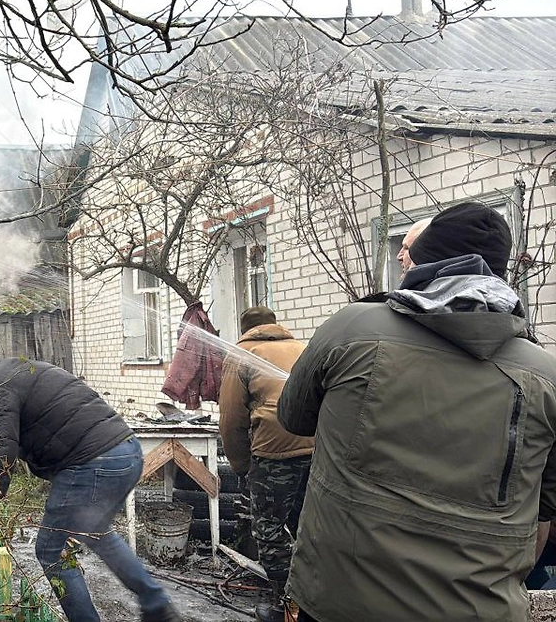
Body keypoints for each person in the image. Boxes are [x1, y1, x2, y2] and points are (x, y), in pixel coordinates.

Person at [277, 202, 556, 622]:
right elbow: (544, 511)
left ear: (425, 260)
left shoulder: (353, 329)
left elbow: (293, 418)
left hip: (338, 599)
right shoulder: (545, 376)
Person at [0, 354, 182, 622]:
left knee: (49, 549)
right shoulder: (22, 370)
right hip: (126, 452)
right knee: (96, 532)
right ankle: (156, 605)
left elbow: (0, 452)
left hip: (92, 461)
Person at [218, 306, 311, 622]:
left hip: (273, 452)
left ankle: (287, 606)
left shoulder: (241, 354)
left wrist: (242, 466)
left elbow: (231, 420)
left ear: (245, 329)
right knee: (306, 526)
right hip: (316, 447)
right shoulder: (302, 348)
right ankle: (316, 599)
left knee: (269, 529)